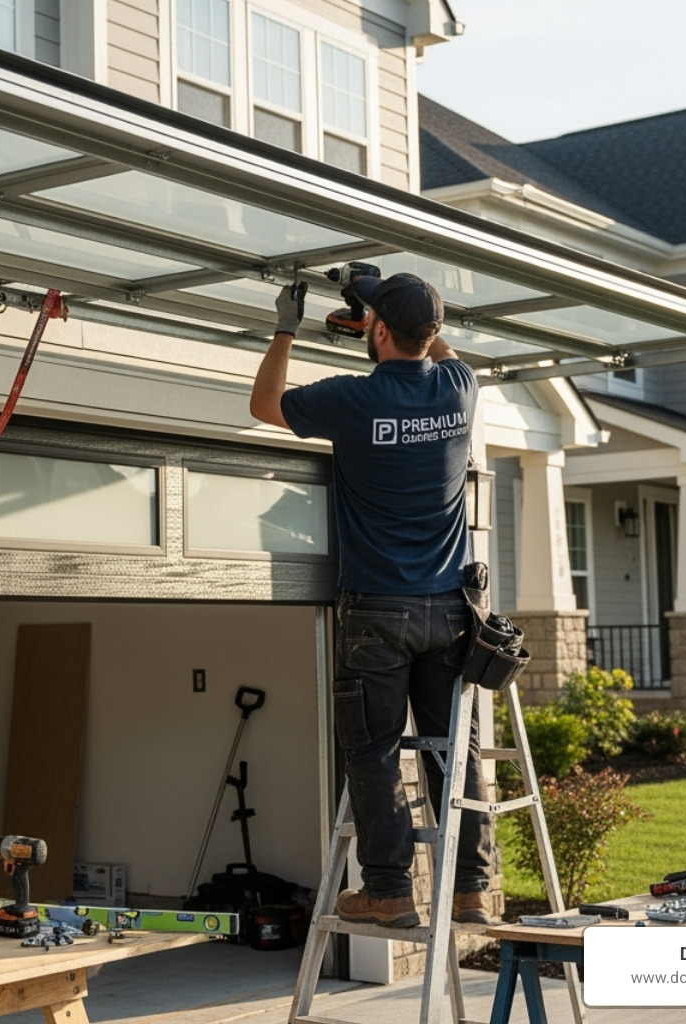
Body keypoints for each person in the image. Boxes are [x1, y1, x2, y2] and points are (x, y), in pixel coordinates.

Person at [248, 270, 494, 928]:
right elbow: (441, 350)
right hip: (450, 610)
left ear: (378, 331)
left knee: (376, 752)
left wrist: (286, 327)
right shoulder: (460, 388)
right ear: (431, 332)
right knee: (453, 750)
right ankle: (470, 888)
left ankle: (388, 891)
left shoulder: (352, 399)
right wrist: (385, 305)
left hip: (377, 612)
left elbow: (265, 404)